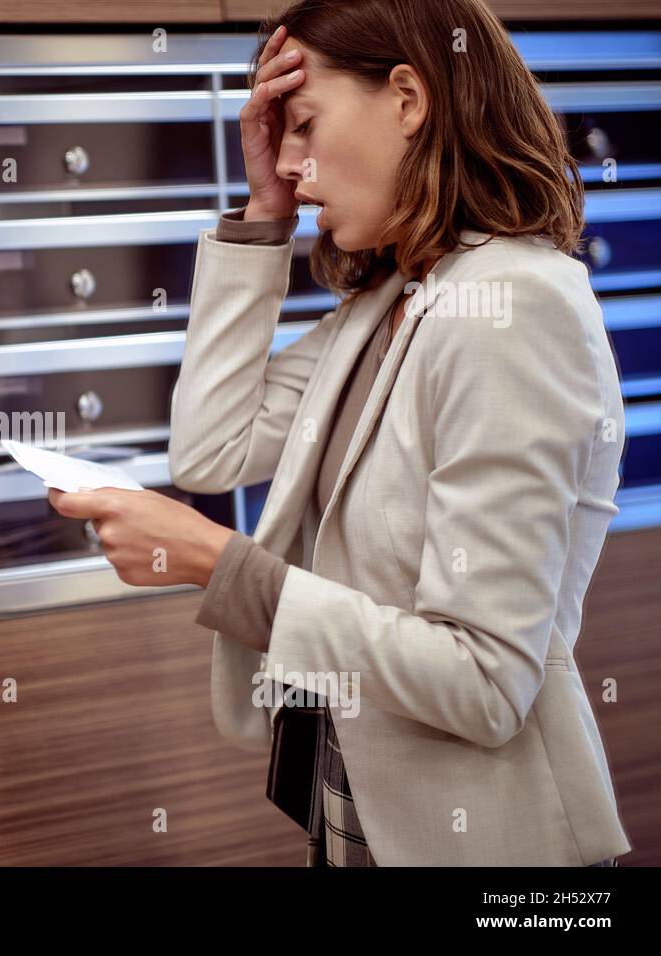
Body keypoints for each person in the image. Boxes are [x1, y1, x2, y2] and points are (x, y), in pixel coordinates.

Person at [47, 0, 630, 866]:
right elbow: (210, 449)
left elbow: (484, 681)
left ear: (407, 99)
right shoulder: (399, 299)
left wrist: (218, 565)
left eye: (305, 125)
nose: (291, 163)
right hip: (361, 817)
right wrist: (263, 213)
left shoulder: (510, 307)